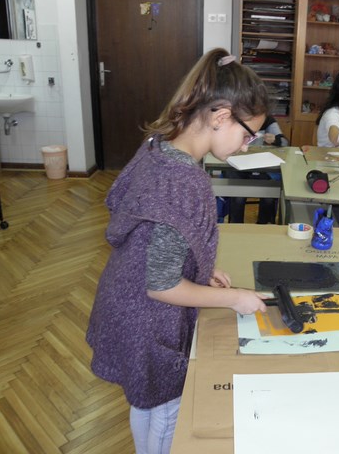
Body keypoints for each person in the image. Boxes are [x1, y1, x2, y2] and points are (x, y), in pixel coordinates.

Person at [86, 48, 269, 454]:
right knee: (167, 409)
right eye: (248, 135)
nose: (247, 146)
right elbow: (163, 285)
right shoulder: (186, 181)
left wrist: (198, 265)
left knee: (145, 402)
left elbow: (156, 229)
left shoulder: (159, 146)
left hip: (124, 298)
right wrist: (234, 298)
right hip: (149, 318)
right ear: (221, 117)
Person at [224, 115, 288, 224]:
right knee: (238, 197)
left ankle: (263, 225)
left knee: (268, 196)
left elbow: (284, 142)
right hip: (238, 166)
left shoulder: (267, 120)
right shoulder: (235, 117)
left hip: (260, 167)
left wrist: (275, 139)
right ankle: (236, 225)